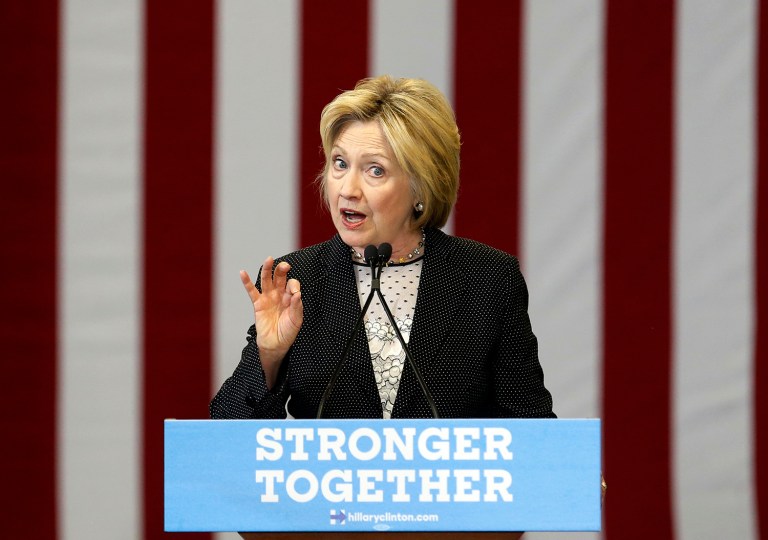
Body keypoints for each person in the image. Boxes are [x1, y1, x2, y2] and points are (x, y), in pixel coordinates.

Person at [210, 75, 555, 422]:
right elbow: (225, 439)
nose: (348, 188)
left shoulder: (487, 279)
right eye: (340, 163)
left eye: (375, 170)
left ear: (423, 186)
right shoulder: (297, 281)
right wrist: (268, 355)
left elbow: (532, 427)